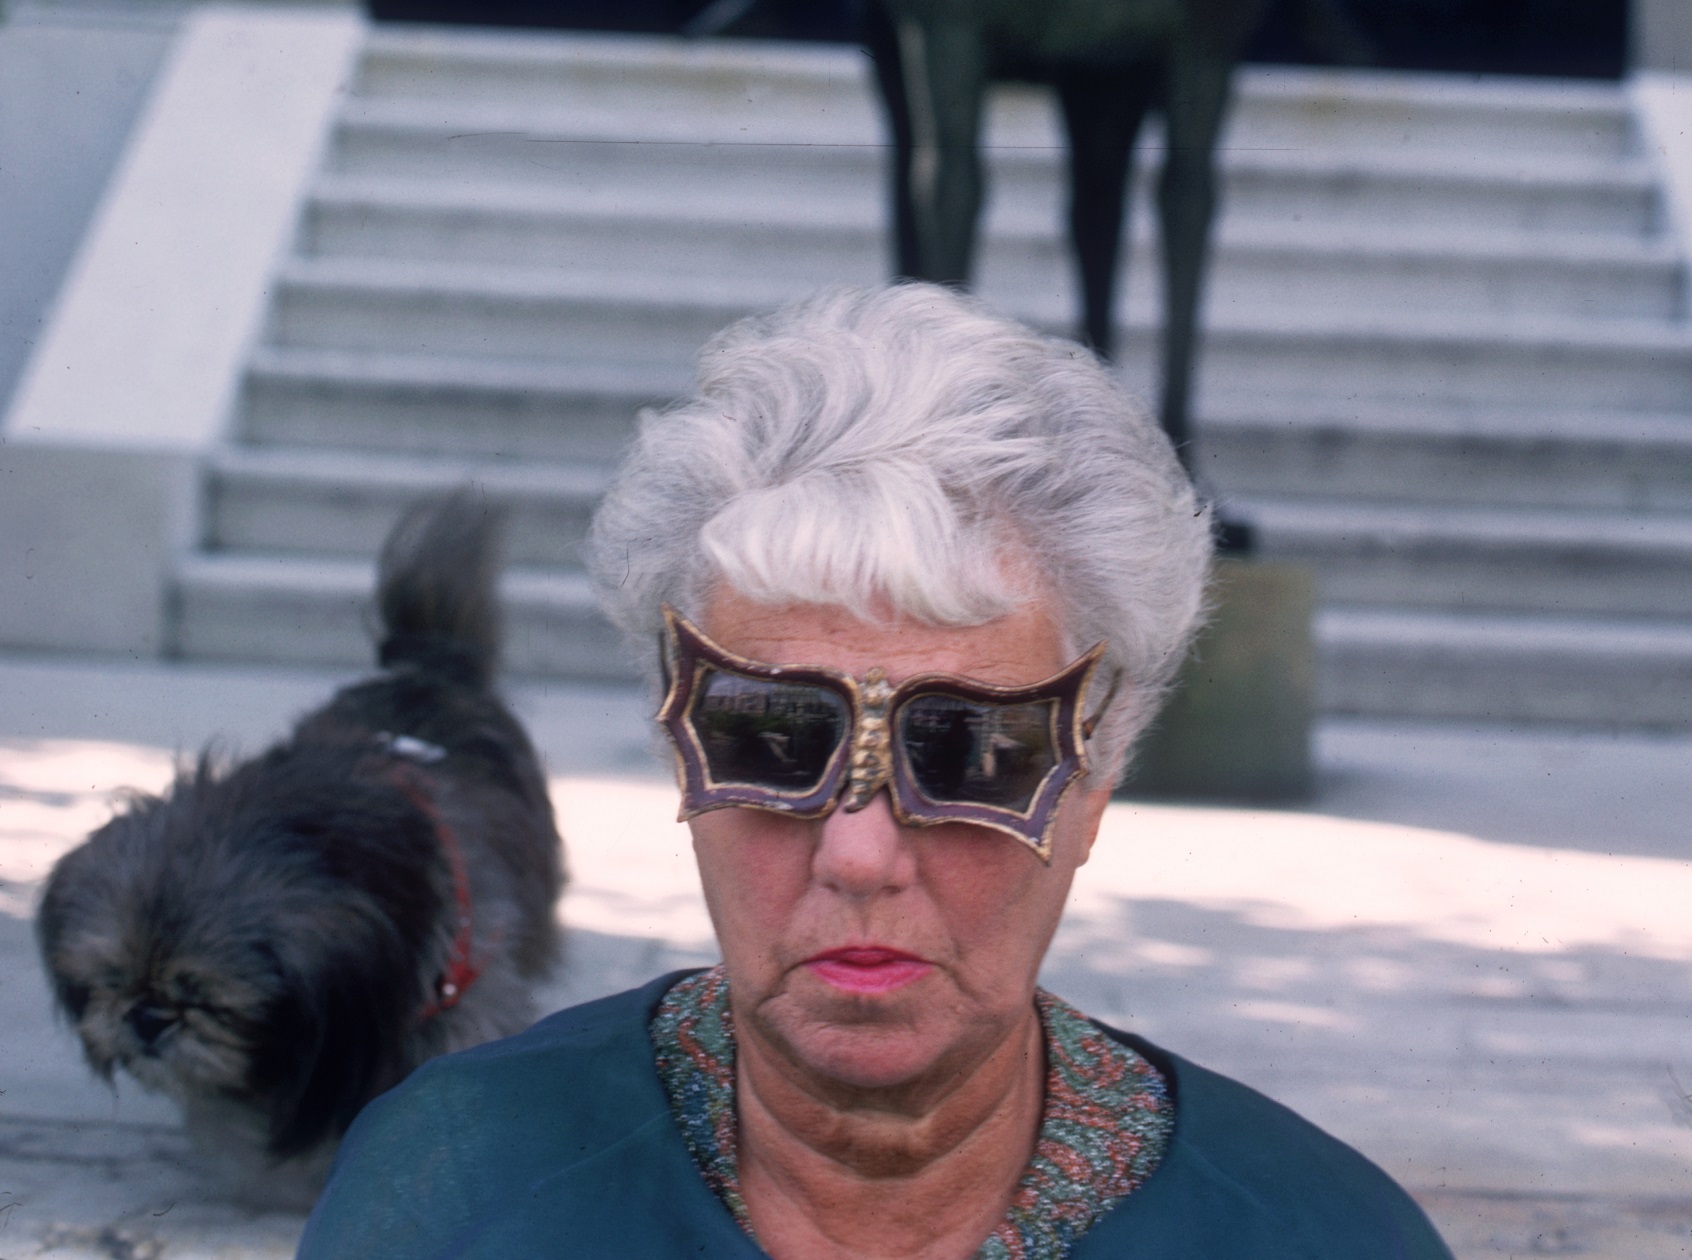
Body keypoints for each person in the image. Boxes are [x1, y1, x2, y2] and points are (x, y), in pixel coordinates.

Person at [296, 284, 1452, 1258]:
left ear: (1094, 785)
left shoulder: (1318, 1235)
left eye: (972, 751)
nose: (858, 851)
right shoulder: (452, 1199)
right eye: (772, 738)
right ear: (680, 754)